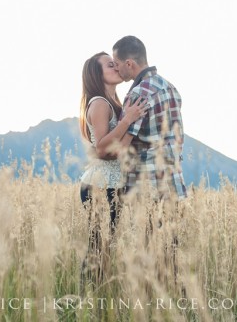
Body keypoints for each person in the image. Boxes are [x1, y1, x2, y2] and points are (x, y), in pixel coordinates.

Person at [79, 51, 148, 285]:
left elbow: (119, 148)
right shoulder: (99, 103)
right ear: (97, 75)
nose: (116, 67)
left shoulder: (116, 103)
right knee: (98, 246)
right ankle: (85, 300)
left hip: (112, 183)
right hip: (99, 184)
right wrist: (128, 120)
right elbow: (102, 149)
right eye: (110, 65)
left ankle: (95, 296)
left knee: (106, 246)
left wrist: (131, 124)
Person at [112, 36, 187, 201]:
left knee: (147, 228)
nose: (116, 69)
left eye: (116, 64)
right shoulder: (171, 88)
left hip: (147, 185)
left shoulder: (138, 93)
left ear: (129, 63)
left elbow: (122, 147)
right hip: (173, 182)